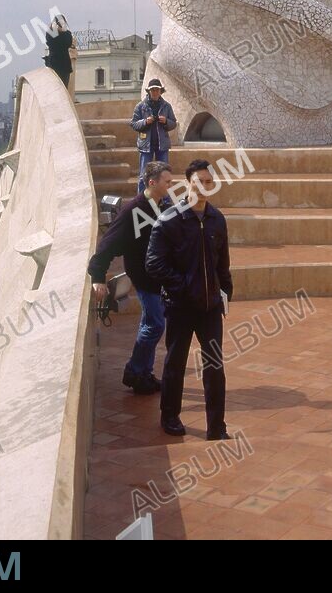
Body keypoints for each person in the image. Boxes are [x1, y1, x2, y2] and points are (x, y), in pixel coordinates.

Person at [145, 159, 233, 440]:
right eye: (199, 182)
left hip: (209, 307)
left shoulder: (217, 219)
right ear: (188, 184)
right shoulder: (169, 220)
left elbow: (222, 263)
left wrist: (225, 291)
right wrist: (182, 286)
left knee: (214, 367)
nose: (204, 187)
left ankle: (217, 426)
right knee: (175, 363)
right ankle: (170, 417)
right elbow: (154, 263)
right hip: (180, 306)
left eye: (209, 182)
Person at [87, 161, 174, 394]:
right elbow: (107, 244)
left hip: (159, 276)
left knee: (149, 323)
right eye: (167, 182)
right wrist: (98, 277)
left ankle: (143, 374)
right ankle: (134, 371)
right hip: (145, 277)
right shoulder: (133, 211)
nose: (171, 185)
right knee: (156, 324)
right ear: (152, 182)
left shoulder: (163, 204)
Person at [131, 78, 177, 192]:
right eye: (153, 90)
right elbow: (134, 124)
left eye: (157, 90)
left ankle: (164, 199)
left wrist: (166, 121)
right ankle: (142, 199)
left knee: (164, 175)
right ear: (149, 91)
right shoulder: (141, 106)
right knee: (144, 175)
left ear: (161, 91)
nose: (155, 92)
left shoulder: (166, 106)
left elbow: (173, 123)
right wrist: (145, 122)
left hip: (162, 145)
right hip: (146, 145)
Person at [45, 15, 73, 89]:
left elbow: (68, 43)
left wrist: (63, 32)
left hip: (64, 65)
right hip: (54, 64)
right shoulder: (50, 33)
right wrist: (56, 31)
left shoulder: (67, 33)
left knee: (64, 88)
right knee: (54, 87)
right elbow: (52, 43)